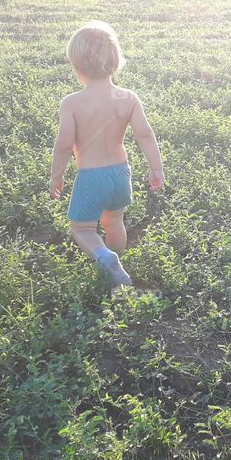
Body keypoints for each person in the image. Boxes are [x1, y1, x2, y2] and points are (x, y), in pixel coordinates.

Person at [48, 20, 165, 292]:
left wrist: (56, 176)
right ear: (115, 61)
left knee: (82, 228)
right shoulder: (128, 97)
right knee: (114, 221)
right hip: (120, 173)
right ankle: (118, 263)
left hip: (91, 177)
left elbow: (64, 144)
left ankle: (104, 257)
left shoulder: (72, 103)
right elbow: (145, 135)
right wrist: (156, 168)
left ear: (76, 66)